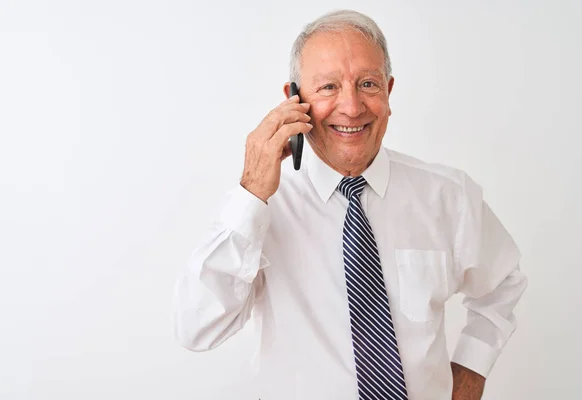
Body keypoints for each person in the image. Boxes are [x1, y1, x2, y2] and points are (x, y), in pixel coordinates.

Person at [172, 9, 527, 400]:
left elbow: (503, 283)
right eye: (328, 88)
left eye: (368, 84)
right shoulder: (261, 206)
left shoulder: (448, 195)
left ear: (389, 92)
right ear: (294, 99)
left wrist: (471, 371)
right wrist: (252, 192)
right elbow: (196, 328)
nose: (352, 107)